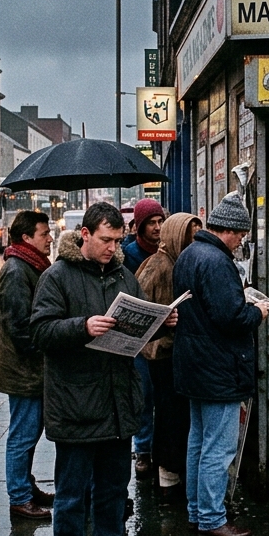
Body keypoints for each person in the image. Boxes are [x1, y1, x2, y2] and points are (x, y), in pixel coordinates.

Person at [30, 203, 173, 536]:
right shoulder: (57, 277)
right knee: (73, 493)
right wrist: (82, 326)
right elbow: (39, 332)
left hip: (117, 400)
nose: (113, 247)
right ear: (86, 236)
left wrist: (160, 321)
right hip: (77, 401)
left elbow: (139, 314)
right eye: (106, 240)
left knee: (114, 487)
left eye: (117, 240)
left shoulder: (124, 274)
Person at [172, 192, 269, 536]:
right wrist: (256, 311)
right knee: (219, 447)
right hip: (218, 368)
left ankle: (197, 512)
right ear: (229, 230)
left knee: (198, 442)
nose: (241, 242)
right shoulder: (216, 261)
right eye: (241, 236)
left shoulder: (188, 255)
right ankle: (212, 518)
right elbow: (230, 317)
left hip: (195, 364)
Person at [135, 211, 202, 499]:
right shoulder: (159, 265)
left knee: (173, 416)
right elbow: (138, 303)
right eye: (189, 238)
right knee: (169, 416)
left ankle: (169, 475)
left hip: (172, 350)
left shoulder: (174, 261)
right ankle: (167, 478)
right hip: (161, 353)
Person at [0, 211, 56, 521]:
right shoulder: (17, 271)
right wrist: (47, 347)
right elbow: (20, 328)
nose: (50, 238)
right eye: (44, 233)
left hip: (31, 370)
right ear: (27, 238)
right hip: (23, 371)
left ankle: (26, 487)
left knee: (29, 434)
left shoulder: (31, 265)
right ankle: (19, 497)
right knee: (23, 434)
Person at [124, 198, 167, 477]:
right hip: (139, 338)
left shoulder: (168, 252)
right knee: (143, 396)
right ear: (139, 226)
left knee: (163, 395)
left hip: (163, 335)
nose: (157, 227)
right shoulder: (129, 255)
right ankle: (143, 451)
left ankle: (161, 450)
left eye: (160, 221)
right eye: (151, 223)